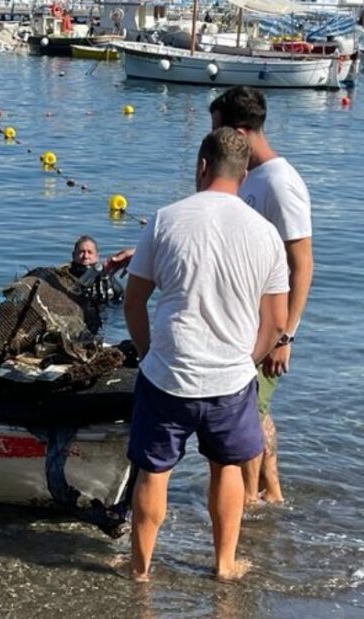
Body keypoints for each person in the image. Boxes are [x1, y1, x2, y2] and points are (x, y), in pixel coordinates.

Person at [124, 127, 289, 583]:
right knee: (228, 468)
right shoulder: (266, 233)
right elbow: (275, 323)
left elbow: (133, 302)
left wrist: (147, 354)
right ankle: (224, 565)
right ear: (245, 173)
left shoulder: (165, 219)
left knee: (153, 472)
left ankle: (140, 570)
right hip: (230, 379)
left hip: (168, 372)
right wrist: (247, 361)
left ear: (201, 167)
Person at [210, 86, 313, 506]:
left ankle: (248, 505)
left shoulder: (280, 183)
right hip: (244, 323)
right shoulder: (251, 180)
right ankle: (272, 494)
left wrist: (284, 336)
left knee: (246, 417)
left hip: (266, 329)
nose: (213, 141)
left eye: (217, 132)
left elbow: (302, 262)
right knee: (257, 412)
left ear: (238, 132)